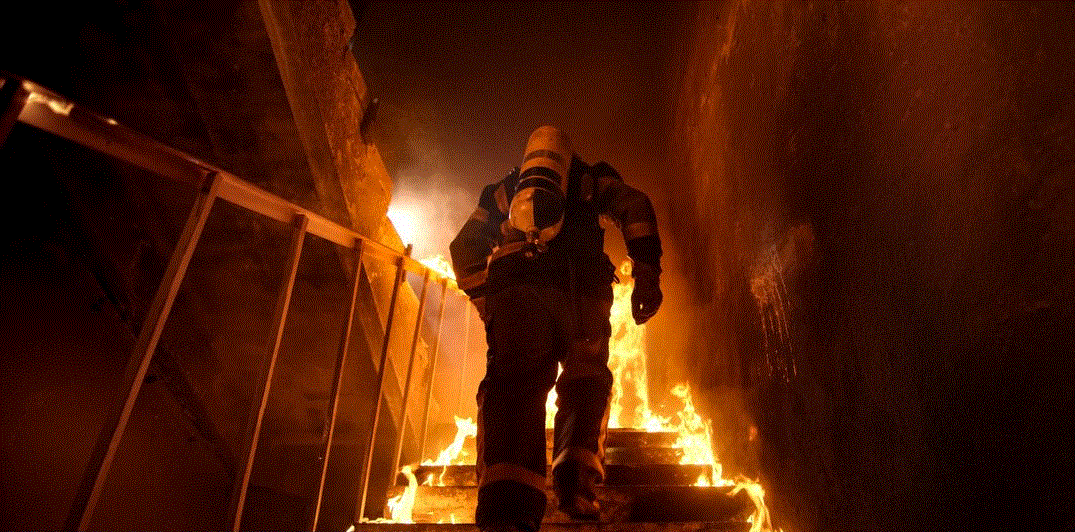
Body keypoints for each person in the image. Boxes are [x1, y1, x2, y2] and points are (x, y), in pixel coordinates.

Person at [450, 126, 663, 532]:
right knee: (586, 382)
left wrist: (486, 301)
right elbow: (635, 206)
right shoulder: (590, 179)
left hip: (517, 299)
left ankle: (507, 515)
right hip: (582, 295)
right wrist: (648, 274)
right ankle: (576, 488)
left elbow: (464, 249)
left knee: (513, 392)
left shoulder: (505, 190)